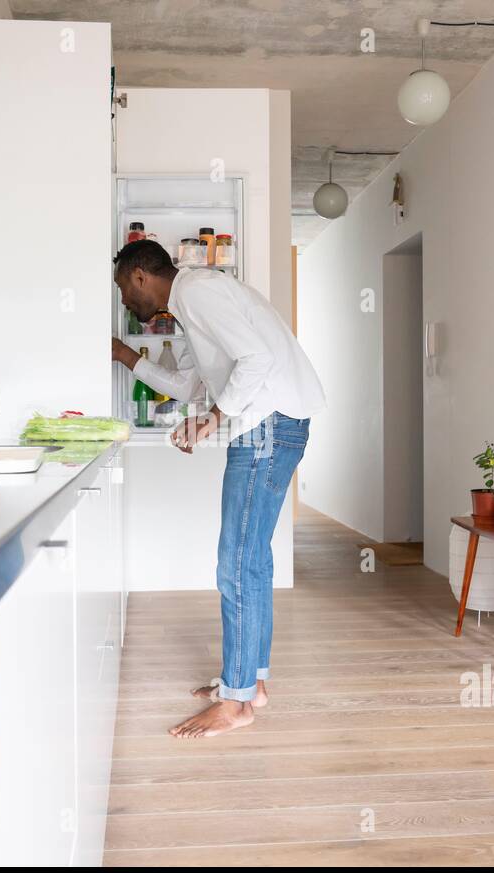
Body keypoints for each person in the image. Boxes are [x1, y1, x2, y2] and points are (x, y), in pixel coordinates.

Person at [111, 239, 326, 738]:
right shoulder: (193, 302)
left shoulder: (198, 291)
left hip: (267, 427)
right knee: (253, 562)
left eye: (123, 289)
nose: (124, 300)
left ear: (141, 276)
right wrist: (125, 357)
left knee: (237, 564)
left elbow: (257, 359)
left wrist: (213, 417)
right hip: (272, 424)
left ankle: (236, 703)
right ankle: (252, 685)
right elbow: (191, 385)